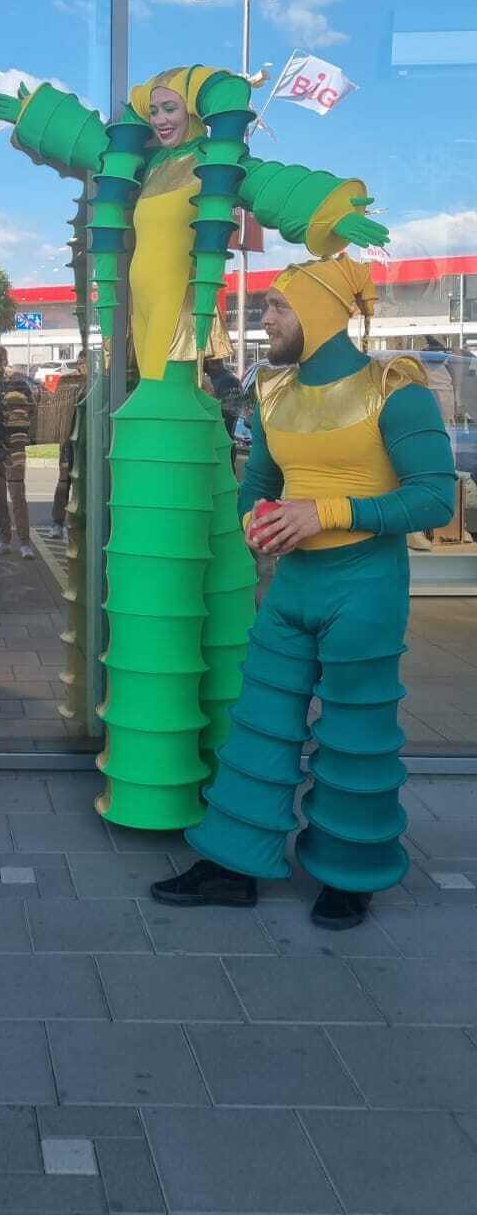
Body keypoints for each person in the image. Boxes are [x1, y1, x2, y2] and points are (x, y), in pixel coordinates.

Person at [0, 65, 386, 830]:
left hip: (175, 378)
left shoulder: (213, 164)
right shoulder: (138, 167)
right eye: (156, 110)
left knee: (175, 590)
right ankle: (210, 777)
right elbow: (88, 141)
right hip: (147, 380)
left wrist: (334, 213)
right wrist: (35, 114)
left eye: (174, 108)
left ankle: (187, 781)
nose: (164, 119)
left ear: (200, 112)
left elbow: (272, 188)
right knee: (195, 579)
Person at [153, 255, 455, 930]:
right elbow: (259, 484)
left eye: (277, 307)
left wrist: (325, 512)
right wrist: (253, 522)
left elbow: (435, 498)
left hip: (365, 589)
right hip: (291, 587)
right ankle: (233, 865)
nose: (265, 319)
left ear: (319, 311)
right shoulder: (273, 392)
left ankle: (349, 872)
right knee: (259, 724)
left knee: (357, 736)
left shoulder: (395, 389)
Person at [0, 346, 36, 558]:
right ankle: (5, 540)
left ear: (6, 360)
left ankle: (25, 543)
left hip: (14, 445)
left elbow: (32, 409)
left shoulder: (19, 384)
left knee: (18, 494)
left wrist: (17, 422)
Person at [42, 360, 85, 543]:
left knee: (83, 486)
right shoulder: (71, 385)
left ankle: (77, 525)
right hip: (69, 443)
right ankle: (57, 523)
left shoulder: (96, 385)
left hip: (87, 444)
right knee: (63, 484)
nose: (83, 367)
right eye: (82, 362)